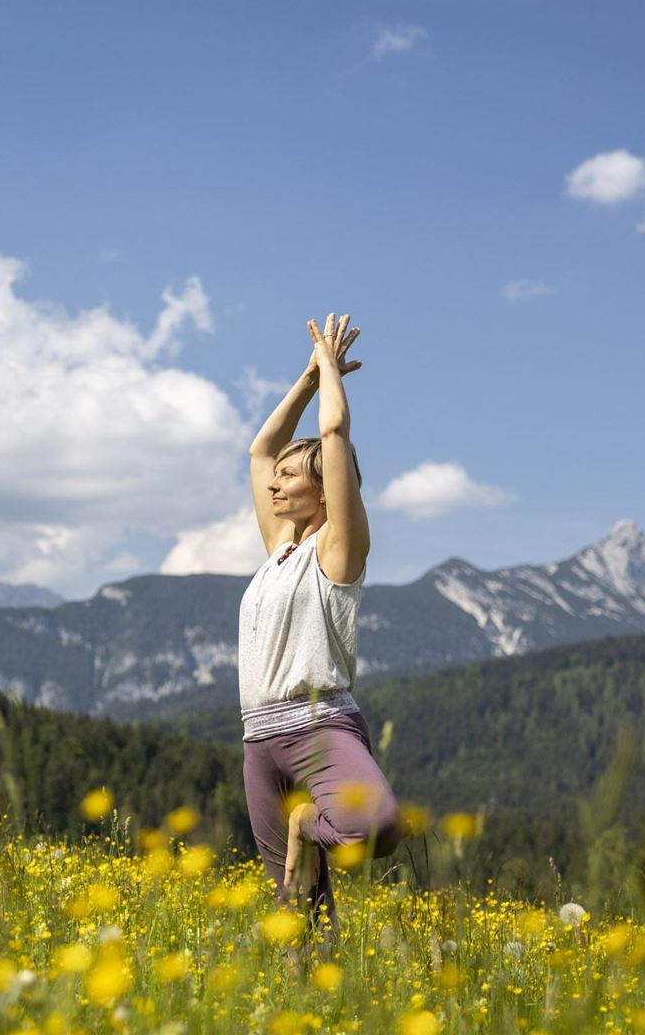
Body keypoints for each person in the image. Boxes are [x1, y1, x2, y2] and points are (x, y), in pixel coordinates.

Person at [240, 312, 400, 941]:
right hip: (258, 740)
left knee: (374, 828)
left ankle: (312, 822)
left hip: (318, 726)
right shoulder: (279, 547)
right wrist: (306, 377)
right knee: (293, 911)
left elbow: (333, 432)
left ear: (324, 491)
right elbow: (258, 449)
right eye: (276, 480)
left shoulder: (338, 550)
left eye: (289, 477)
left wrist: (331, 371)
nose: (274, 484)